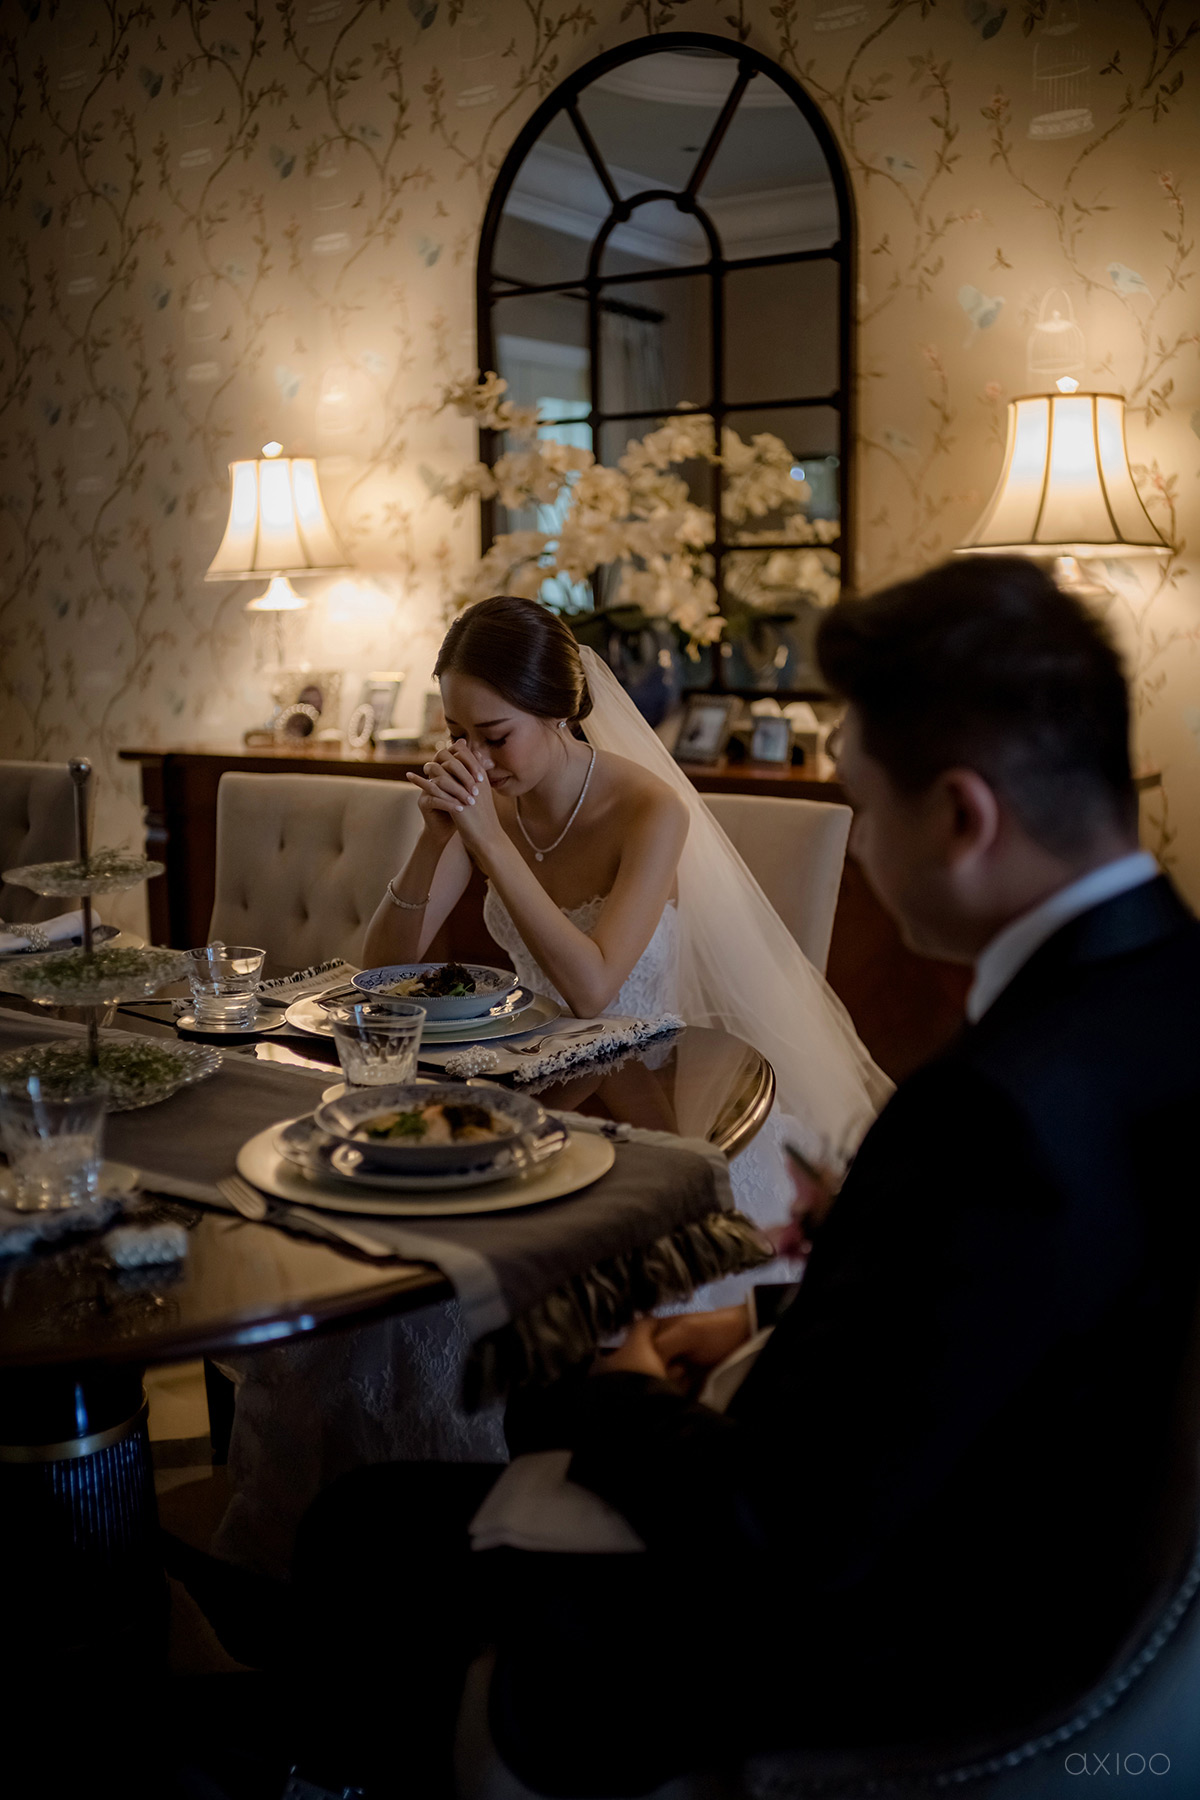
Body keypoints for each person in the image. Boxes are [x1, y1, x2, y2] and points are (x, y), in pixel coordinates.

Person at [286, 555, 1200, 1797]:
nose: (862, 852)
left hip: (898, 1641)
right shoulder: (1158, 1004)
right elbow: (973, 1325)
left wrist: (621, 1389)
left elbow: (784, 1526)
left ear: (963, 817)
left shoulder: (996, 1113)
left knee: (368, 1528)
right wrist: (756, 1320)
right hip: (979, 1528)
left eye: (864, 808)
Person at [212, 598, 888, 1577]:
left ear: (560, 711)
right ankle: (366, 1549)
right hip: (524, 1089)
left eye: (494, 735)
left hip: (647, 1095)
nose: (475, 757)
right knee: (386, 1258)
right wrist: (435, 840)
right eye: (456, 733)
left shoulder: (648, 808)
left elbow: (593, 986)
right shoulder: (485, 797)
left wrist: (488, 841)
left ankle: (501, 1536)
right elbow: (378, 973)